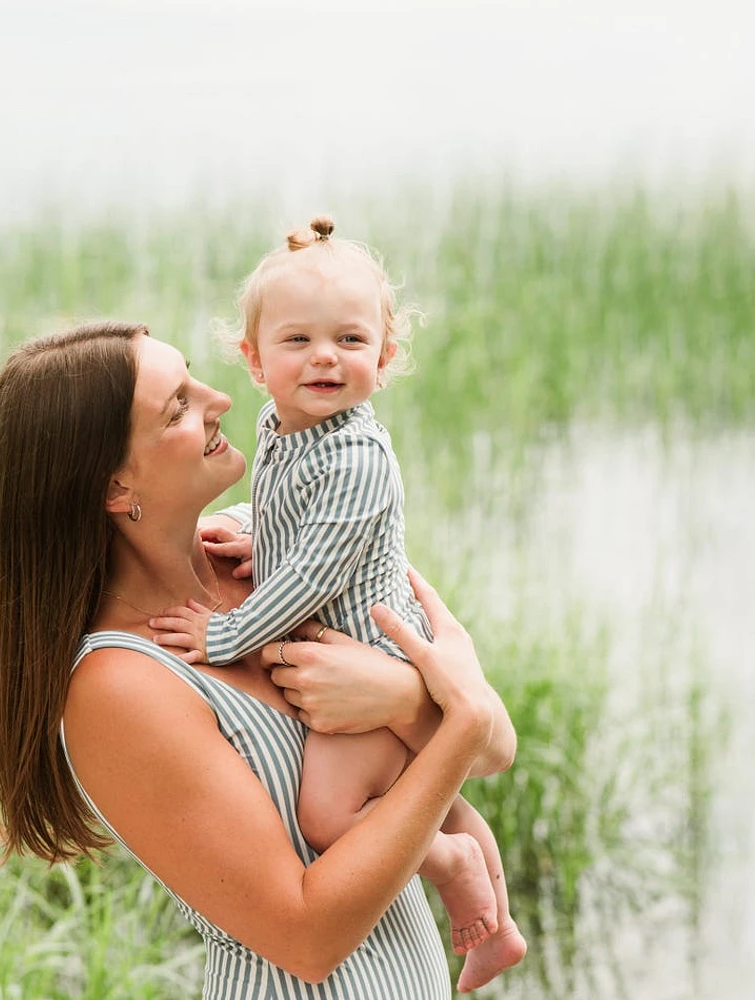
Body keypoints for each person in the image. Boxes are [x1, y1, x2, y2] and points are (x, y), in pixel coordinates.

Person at [0, 320, 518, 999]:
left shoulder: (280, 544)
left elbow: (496, 746)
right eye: (178, 405)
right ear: (116, 488)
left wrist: (406, 700)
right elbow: (306, 939)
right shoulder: (119, 684)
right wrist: (455, 721)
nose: (220, 400)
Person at [152, 217, 526, 993]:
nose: (325, 356)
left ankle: (452, 866)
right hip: (369, 654)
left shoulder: (358, 456)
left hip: (374, 649)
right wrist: (273, 541)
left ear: (384, 361)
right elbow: (302, 538)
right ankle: (496, 924)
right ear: (255, 361)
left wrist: (226, 634)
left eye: (351, 342)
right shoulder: (280, 428)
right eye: (298, 342)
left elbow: (308, 583)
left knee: (332, 814)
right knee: (425, 791)